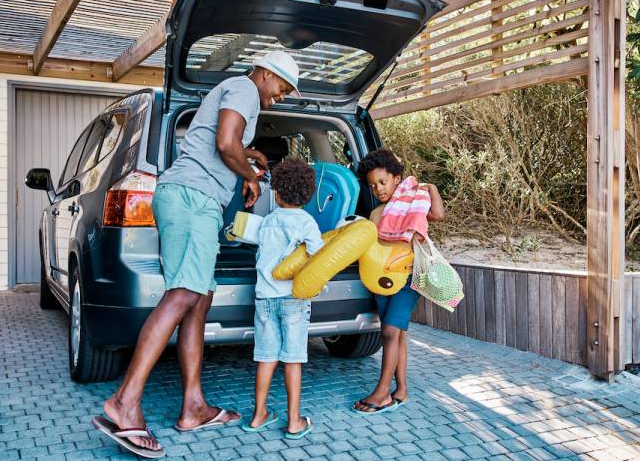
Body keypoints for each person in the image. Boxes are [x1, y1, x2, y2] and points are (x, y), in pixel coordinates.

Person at [92, 50, 301, 458]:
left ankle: (193, 406)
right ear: (265, 73)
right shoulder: (242, 87)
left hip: (193, 201)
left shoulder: (239, 93)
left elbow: (229, 142)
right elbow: (225, 142)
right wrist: (250, 177)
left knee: (198, 301)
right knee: (184, 295)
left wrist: (253, 159)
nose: (278, 98)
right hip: (193, 199)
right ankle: (125, 401)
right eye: (280, 89)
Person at [352, 148, 445, 414]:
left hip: (408, 277)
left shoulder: (413, 205)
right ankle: (401, 392)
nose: (378, 189)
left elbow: (438, 215)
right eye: (372, 185)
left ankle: (382, 393)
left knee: (390, 332)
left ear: (396, 178)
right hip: (382, 280)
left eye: (382, 182)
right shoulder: (377, 214)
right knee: (398, 335)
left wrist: (432, 188)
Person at [240, 157, 323, 440]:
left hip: (264, 298)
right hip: (293, 300)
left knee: (265, 357)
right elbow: (319, 257)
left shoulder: (268, 221)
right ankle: (294, 421)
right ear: (308, 195)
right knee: (293, 359)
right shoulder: (307, 222)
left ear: (276, 193)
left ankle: (258, 414)